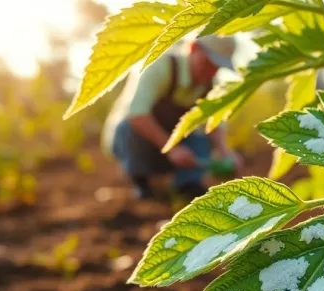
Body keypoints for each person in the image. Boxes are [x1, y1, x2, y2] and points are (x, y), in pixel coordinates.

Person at [101, 34, 243, 200]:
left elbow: (214, 124)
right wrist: (172, 148)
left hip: (170, 144)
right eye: (208, 63)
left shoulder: (210, 85)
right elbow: (137, 115)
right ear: (193, 48)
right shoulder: (160, 67)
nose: (211, 72)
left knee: (198, 134)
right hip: (128, 141)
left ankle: (188, 185)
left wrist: (225, 151)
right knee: (129, 128)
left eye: (217, 67)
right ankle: (142, 182)